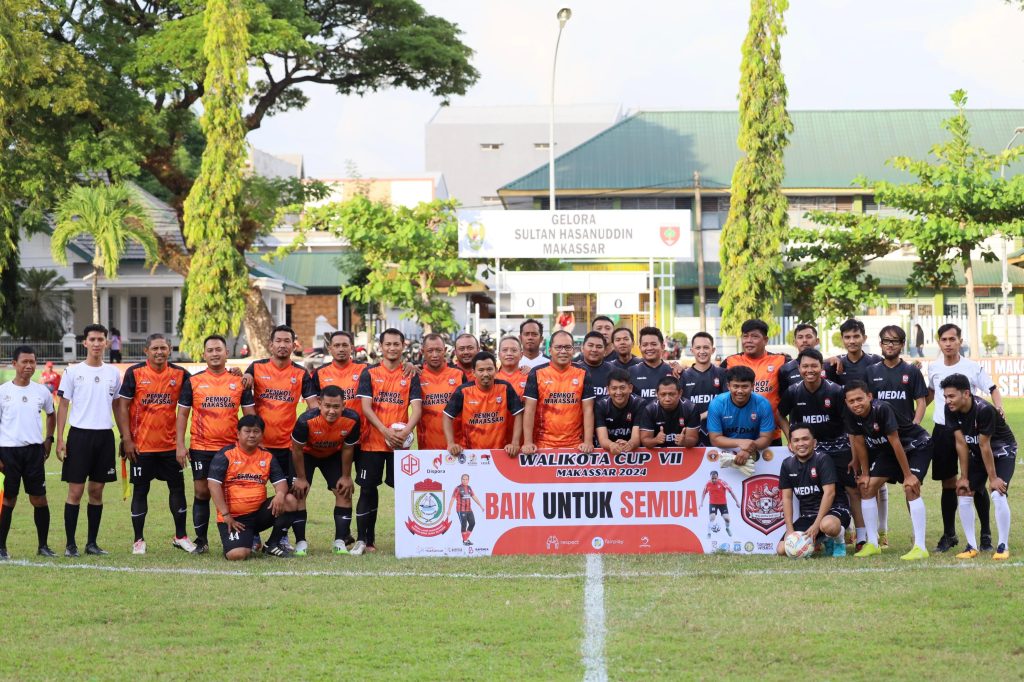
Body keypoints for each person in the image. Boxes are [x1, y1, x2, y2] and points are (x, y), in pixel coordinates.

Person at [115, 333, 195, 554]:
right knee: (140, 491)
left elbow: (204, 383)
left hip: (170, 447)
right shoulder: (135, 373)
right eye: (155, 349)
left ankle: (181, 536)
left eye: (163, 348)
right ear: (146, 351)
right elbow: (123, 406)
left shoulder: (179, 374)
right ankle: (138, 540)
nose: (159, 352)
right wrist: (127, 439)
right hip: (142, 447)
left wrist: (235, 374)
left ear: (169, 350)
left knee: (177, 489)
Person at [777, 348, 865, 549]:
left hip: (838, 446)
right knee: (814, 490)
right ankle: (821, 533)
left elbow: (850, 424)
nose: (810, 370)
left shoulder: (835, 391)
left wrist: (854, 454)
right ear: (799, 368)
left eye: (814, 366)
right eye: (805, 366)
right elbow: (780, 414)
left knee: (852, 489)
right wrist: (790, 437)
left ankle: (860, 537)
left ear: (822, 367)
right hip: (809, 449)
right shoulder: (793, 391)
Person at [926, 323, 1002, 553]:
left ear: (960, 341)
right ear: (939, 342)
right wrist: (914, 415)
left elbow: (992, 388)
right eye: (944, 340)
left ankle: (986, 536)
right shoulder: (934, 367)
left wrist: (999, 407)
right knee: (948, 483)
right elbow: (929, 393)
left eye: (952, 339)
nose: (948, 344)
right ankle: (950, 534)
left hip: (970, 431)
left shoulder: (971, 367)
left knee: (976, 483)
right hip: (943, 430)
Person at [176, 334, 255, 554]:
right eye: (210, 350)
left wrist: (253, 445)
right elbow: (182, 415)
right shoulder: (193, 382)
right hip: (201, 447)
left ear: (226, 353)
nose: (214, 354)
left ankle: (237, 535)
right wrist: (180, 445)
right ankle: (201, 540)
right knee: (202, 492)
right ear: (204, 354)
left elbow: (250, 417)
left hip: (231, 449)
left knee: (233, 494)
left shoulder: (239, 382)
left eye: (218, 349)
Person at [243, 325, 318, 551]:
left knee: (290, 495)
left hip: (288, 448)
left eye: (288, 341)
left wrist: (302, 429)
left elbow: (313, 407)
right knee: (253, 493)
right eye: (279, 341)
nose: (283, 345)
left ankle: (281, 537)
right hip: (260, 447)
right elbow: (247, 406)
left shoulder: (301, 373)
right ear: (271, 344)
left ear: (293, 345)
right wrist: (256, 437)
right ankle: (253, 535)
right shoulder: (255, 368)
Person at [844, 380, 933, 560]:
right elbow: (860, 443)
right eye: (851, 401)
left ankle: (920, 547)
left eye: (859, 399)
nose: (856, 404)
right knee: (866, 487)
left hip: (916, 445)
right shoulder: (851, 414)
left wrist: (908, 476)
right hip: (889, 450)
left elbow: (896, 441)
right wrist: (866, 474)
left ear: (869, 396)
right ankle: (873, 544)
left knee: (910, 488)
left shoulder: (882, 409)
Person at [55, 324, 121, 557]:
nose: (96, 343)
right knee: (75, 491)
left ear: (106, 342)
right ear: (85, 343)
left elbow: (117, 405)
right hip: (80, 436)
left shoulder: (113, 373)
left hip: (104, 436)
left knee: (97, 491)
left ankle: (91, 543)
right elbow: (63, 405)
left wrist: (124, 435)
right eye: (92, 339)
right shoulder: (73, 371)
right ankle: (70, 544)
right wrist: (60, 438)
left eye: (100, 339)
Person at [355, 328, 422, 555]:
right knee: (367, 490)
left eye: (396, 344)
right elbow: (366, 407)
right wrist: (385, 431)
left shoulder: (410, 374)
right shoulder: (369, 373)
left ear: (403, 346)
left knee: (404, 492)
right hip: (372, 443)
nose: (392, 348)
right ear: (380, 347)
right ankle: (365, 540)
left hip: (399, 445)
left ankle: (410, 539)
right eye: (388, 344)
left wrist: (405, 432)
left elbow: (417, 409)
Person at [864, 324, 927, 547]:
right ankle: (875, 538)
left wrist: (915, 424)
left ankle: (917, 537)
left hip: (908, 440)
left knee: (911, 486)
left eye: (895, 341)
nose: (890, 345)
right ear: (880, 344)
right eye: (886, 341)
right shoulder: (871, 372)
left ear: (902, 345)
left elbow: (921, 401)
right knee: (871, 485)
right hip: (883, 441)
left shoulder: (912, 372)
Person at [941, 374, 1016, 560]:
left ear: (966, 393)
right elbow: (961, 443)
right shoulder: (949, 409)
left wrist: (993, 479)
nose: (947, 400)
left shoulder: (984, 410)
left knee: (998, 492)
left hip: (1002, 450)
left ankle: (1003, 546)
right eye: (945, 396)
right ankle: (971, 546)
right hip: (979, 451)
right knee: (964, 491)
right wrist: (964, 476)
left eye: (951, 396)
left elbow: (985, 445)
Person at [208, 415, 298, 559]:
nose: (252, 435)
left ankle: (272, 544)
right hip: (234, 519)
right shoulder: (225, 454)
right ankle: (245, 541)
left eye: (256, 431)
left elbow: (281, 482)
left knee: (290, 500)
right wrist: (226, 515)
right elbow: (213, 485)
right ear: (238, 434)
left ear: (262, 434)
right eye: (247, 431)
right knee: (237, 555)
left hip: (259, 515)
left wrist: (280, 494)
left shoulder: (267, 456)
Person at [308, 330, 366, 547]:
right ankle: (344, 535)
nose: (341, 349)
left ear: (352, 347)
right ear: (330, 349)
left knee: (359, 487)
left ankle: (360, 536)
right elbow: (313, 403)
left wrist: (409, 367)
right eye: (337, 345)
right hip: (328, 442)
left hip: (358, 439)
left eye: (345, 345)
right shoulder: (319, 373)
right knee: (341, 487)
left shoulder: (364, 370)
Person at [0, 346, 57, 559]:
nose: (29, 366)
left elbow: (51, 415)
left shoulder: (41, 391)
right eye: (24, 362)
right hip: (8, 452)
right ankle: (1, 548)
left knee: (39, 499)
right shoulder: (3, 391)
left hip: (34, 452)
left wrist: (49, 440)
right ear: (14, 364)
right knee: (8, 500)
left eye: (32, 362)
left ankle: (43, 546)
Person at [290, 385, 360, 556]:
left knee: (344, 492)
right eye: (327, 406)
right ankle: (300, 542)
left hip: (332, 455)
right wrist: (300, 477)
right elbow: (296, 449)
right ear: (319, 403)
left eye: (336, 406)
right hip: (306, 454)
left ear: (344, 405)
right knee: (299, 492)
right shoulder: (305, 420)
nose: (331, 411)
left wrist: (346, 476)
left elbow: (348, 449)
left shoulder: (352, 419)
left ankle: (340, 541)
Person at [776, 424, 851, 557]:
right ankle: (824, 539)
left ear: (814, 442)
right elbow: (786, 498)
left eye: (805, 439)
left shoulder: (823, 459)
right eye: (796, 440)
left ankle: (838, 540)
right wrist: (790, 530)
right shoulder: (787, 464)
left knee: (828, 525)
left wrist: (816, 525)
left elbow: (830, 493)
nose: (801, 444)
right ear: (791, 444)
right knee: (782, 550)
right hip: (808, 516)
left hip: (835, 511)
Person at [521, 330, 595, 453]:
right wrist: (528, 442)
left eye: (567, 347)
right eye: (558, 347)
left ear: (573, 349)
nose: (563, 351)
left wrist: (588, 441)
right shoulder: (537, 372)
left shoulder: (583, 372)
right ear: (550, 350)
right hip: (543, 444)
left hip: (576, 444)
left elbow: (588, 410)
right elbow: (529, 410)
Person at [720, 319, 787, 444]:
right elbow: (708, 375)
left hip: (771, 436)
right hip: (736, 436)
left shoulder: (780, 361)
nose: (749, 340)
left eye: (755, 336)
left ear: (765, 340)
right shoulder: (730, 362)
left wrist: (831, 360)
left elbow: (807, 366)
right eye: (745, 336)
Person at [444, 352, 523, 456]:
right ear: (473, 372)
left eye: (489, 369)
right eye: (481, 370)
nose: (486, 374)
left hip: (500, 452)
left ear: (495, 370)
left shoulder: (505, 387)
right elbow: (447, 416)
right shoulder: (463, 391)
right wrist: (450, 443)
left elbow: (519, 413)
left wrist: (515, 443)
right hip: (469, 453)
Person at [707, 366, 775, 467]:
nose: (740, 391)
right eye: (736, 386)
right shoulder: (717, 404)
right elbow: (715, 439)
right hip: (725, 454)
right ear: (728, 386)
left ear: (752, 386)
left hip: (755, 454)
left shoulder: (763, 404)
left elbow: (766, 438)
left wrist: (749, 449)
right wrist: (741, 443)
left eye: (744, 386)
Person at [417, 334, 467, 450]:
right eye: (430, 351)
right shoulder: (417, 376)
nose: (435, 355)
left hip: (457, 446)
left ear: (444, 350)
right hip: (427, 447)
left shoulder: (458, 374)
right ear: (422, 351)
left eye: (438, 350)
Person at [680, 332, 728, 446]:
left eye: (706, 347)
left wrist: (703, 415)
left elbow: (727, 402)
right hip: (690, 433)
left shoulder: (723, 374)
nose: (702, 351)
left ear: (713, 350)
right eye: (698, 348)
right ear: (692, 350)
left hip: (719, 432)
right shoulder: (683, 376)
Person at [639, 377, 700, 448]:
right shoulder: (650, 409)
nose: (667, 399)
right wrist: (655, 440)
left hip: (683, 452)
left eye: (672, 394)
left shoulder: (690, 408)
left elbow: (693, 439)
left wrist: (685, 441)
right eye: (663, 394)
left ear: (680, 393)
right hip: (657, 452)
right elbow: (645, 441)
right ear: (656, 394)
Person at [594, 369, 643, 455]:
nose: (618, 392)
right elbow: (602, 439)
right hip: (607, 453)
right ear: (608, 390)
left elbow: (636, 437)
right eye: (614, 388)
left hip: (633, 453)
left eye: (622, 388)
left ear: (630, 388)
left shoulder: (639, 404)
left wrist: (630, 444)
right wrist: (611, 445)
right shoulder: (600, 405)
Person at [826, 318, 883, 386]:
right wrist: (827, 360)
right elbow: (813, 367)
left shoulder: (876, 361)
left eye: (856, 336)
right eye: (847, 337)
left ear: (864, 338)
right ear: (842, 339)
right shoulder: (835, 363)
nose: (852, 341)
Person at [628, 326, 676, 404]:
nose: (649, 348)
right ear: (640, 348)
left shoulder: (673, 371)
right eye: (645, 345)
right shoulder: (631, 372)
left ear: (662, 346)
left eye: (653, 344)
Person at [778, 324, 828, 392]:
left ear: (817, 341)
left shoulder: (829, 366)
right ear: (795, 342)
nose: (804, 340)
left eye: (809, 337)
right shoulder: (785, 369)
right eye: (800, 337)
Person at [574, 331, 615, 398]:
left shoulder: (613, 371)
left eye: (599, 346)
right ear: (582, 348)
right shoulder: (574, 370)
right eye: (590, 345)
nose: (594, 350)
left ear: (605, 351)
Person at [446, 474, 484, 546]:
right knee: (464, 524)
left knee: (472, 523)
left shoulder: (469, 488)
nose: (465, 480)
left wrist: (480, 505)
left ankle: (465, 539)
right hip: (461, 510)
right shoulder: (458, 488)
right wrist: (449, 510)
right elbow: (452, 499)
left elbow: (474, 497)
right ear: (461, 480)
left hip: (469, 509)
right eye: (463, 479)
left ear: (468, 480)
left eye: (466, 479)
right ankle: (465, 541)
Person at [702, 471, 739, 539]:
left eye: (715, 478)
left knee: (727, 519)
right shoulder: (708, 484)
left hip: (722, 503)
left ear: (717, 477)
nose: (714, 480)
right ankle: (709, 533)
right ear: (710, 477)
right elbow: (703, 493)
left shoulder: (722, 482)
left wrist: (737, 502)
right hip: (713, 503)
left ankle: (727, 528)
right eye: (712, 478)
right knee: (712, 518)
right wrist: (701, 502)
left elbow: (731, 492)